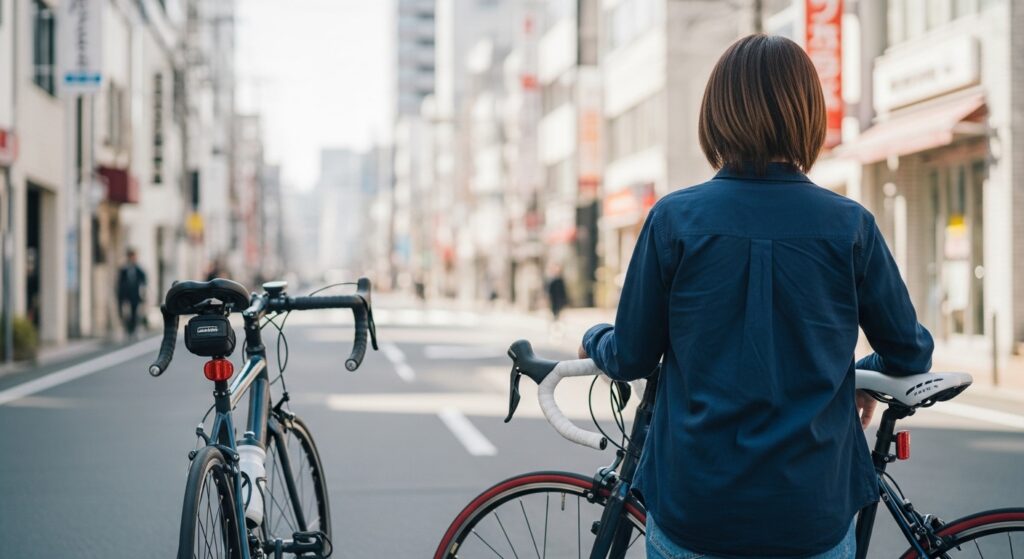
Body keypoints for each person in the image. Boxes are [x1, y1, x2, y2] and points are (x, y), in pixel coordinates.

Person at [578, 35, 933, 559]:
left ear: (716, 116)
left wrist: (595, 338)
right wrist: (856, 374)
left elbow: (630, 356)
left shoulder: (674, 220)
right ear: (807, 116)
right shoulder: (849, 226)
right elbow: (910, 352)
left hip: (696, 510)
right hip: (811, 513)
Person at [117, 248, 148, 339]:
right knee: (126, 313)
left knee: (135, 312)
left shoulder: (138, 269)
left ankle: (133, 329)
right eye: (131, 256)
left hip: (135, 295)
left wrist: (143, 292)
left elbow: (144, 281)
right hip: (125, 295)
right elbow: (120, 283)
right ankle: (128, 329)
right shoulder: (124, 269)